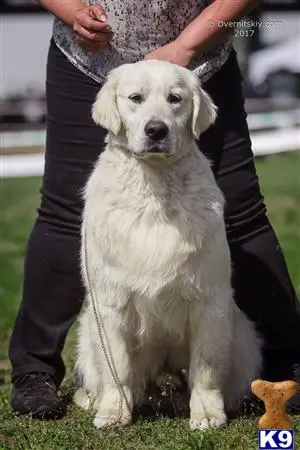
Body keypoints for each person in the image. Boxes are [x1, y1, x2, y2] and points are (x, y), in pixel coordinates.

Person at [9, 0, 300, 419]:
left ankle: (287, 361)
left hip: (199, 59)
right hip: (86, 58)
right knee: (60, 214)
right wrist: (71, 11)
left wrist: (187, 45)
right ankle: (35, 371)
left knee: (243, 213)